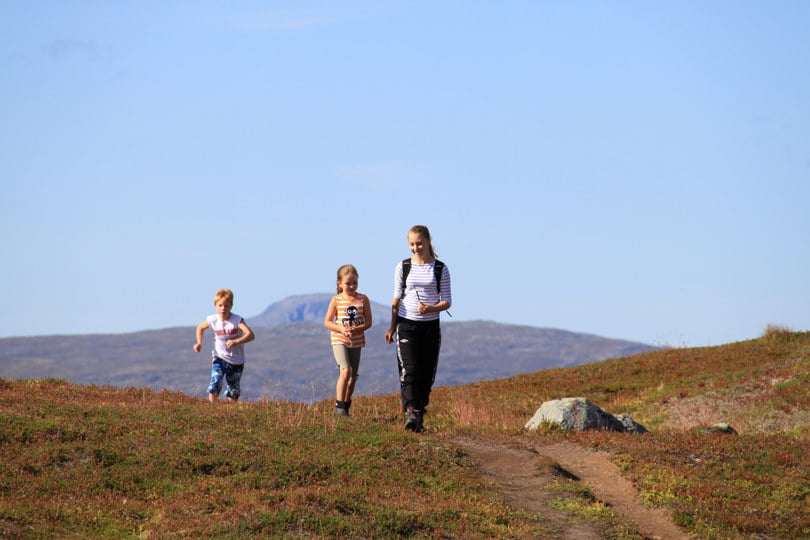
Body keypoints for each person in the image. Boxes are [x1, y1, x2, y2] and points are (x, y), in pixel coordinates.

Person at [385, 225, 452, 432]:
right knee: (409, 370)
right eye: (412, 244)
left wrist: (431, 308)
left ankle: (419, 411)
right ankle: (411, 411)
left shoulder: (440, 268)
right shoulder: (403, 267)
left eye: (419, 243)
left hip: (430, 326)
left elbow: (447, 302)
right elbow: (396, 299)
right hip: (406, 324)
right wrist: (392, 327)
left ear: (428, 241)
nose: (415, 248)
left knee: (426, 373)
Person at [324, 264, 372, 417]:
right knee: (345, 370)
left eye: (354, 283)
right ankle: (338, 408)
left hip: (356, 341)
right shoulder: (336, 300)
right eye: (348, 283)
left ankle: (345, 405)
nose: (351, 286)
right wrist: (341, 329)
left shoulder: (363, 299)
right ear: (340, 283)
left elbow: (368, 322)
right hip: (339, 339)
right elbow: (328, 322)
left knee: (352, 378)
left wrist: (357, 329)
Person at [193, 288, 255, 403]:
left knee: (233, 389)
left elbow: (250, 335)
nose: (223, 309)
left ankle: (230, 413)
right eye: (220, 305)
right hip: (219, 357)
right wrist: (199, 343)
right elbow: (200, 328)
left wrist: (236, 341)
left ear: (231, 306)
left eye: (226, 306)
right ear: (215, 306)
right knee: (215, 382)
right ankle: (213, 411)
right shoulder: (213, 320)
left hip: (236, 361)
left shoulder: (237, 320)